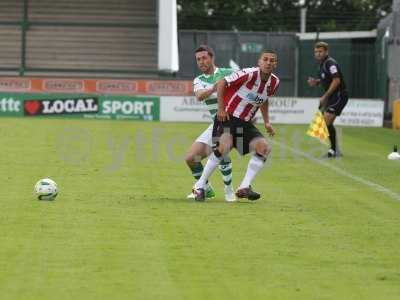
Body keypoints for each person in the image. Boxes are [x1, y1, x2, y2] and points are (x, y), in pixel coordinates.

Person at [192, 49, 280, 201]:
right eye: (265, 59)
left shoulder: (274, 82)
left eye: (271, 60)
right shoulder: (249, 73)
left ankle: (244, 186)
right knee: (224, 147)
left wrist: (267, 121)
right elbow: (221, 83)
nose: (268, 63)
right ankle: (199, 186)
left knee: (264, 147)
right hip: (228, 116)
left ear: (275, 64)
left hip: (245, 122)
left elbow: (264, 99)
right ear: (259, 62)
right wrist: (220, 109)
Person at [185, 45, 236, 202]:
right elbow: (200, 96)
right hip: (216, 123)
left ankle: (229, 191)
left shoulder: (228, 72)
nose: (201, 62)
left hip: (233, 122)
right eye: (198, 59)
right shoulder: (199, 80)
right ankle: (206, 189)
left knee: (221, 153)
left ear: (212, 58)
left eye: (204, 58)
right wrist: (217, 86)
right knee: (191, 158)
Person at [307, 41, 348, 158]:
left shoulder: (330, 63)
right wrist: (316, 82)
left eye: (320, 51)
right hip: (332, 97)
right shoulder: (322, 64)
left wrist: (325, 96)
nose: (318, 54)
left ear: (326, 52)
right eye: (316, 52)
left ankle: (334, 150)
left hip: (339, 95)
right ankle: (334, 150)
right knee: (326, 123)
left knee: (325, 122)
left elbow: (336, 80)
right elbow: (327, 79)